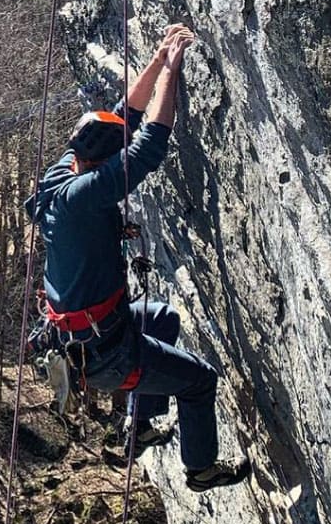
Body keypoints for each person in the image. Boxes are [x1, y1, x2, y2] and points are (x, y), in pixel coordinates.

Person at [26, 25, 251, 492]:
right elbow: (149, 142)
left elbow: (124, 115)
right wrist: (173, 68)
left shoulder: (62, 171)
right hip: (108, 354)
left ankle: (141, 424)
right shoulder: (83, 195)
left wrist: (158, 56)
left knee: (163, 319)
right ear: (102, 165)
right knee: (199, 382)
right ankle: (201, 469)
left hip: (90, 336)